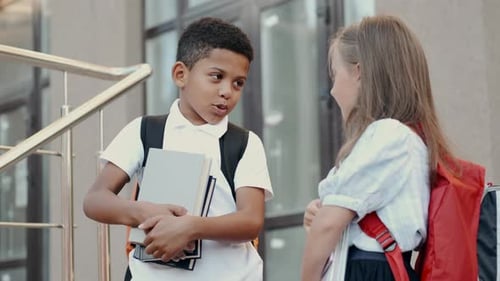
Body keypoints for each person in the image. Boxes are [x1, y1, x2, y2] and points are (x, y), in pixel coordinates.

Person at [83, 17, 273, 281]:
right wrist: (143, 211)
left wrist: (191, 227)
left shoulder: (245, 143)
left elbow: (250, 221)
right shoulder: (144, 131)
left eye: (238, 83)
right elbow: (95, 200)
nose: (227, 91)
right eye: (216, 77)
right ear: (180, 74)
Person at [301, 15, 454, 281]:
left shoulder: (388, 134)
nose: (333, 89)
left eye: (335, 75)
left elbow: (327, 227)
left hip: (368, 271)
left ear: (358, 72)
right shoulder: (401, 138)